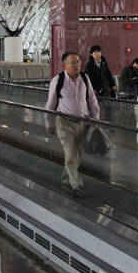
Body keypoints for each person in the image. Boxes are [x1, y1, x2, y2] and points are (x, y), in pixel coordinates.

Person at [46, 51, 101, 192]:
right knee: (70, 154)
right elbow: (50, 104)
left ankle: (66, 179)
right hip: (64, 122)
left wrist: (95, 120)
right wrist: (49, 124)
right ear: (64, 65)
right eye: (73, 63)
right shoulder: (58, 81)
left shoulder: (84, 78)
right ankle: (76, 184)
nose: (77, 65)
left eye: (78, 62)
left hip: (82, 123)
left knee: (76, 155)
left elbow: (92, 100)